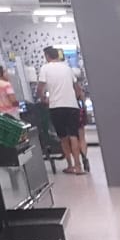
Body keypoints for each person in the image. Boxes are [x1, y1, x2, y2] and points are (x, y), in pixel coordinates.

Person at [36, 48, 85, 176]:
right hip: (72, 106)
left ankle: (69, 165)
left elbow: (40, 88)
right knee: (74, 135)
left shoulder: (45, 68)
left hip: (56, 106)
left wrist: (43, 99)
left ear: (47, 56)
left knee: (63, 137)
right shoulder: (67, 68)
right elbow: (78, 89)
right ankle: (78, 166)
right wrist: (77, 97)